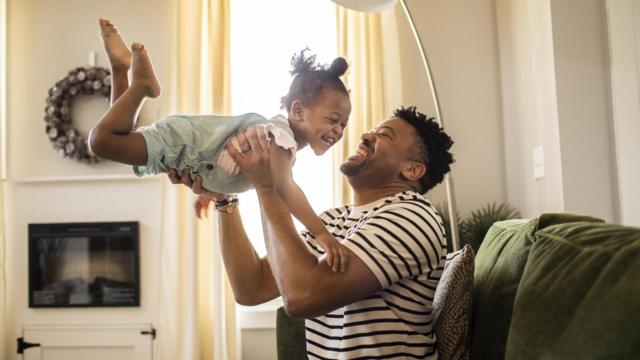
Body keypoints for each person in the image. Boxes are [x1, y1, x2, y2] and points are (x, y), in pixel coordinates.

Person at [170, 106, 454, 359]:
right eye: (373, 130)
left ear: (412, 170)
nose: (366, 135)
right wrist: (224, 199)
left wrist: (268, 186)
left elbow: (301, 297)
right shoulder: (333, 221)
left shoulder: (412, 216)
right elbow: (251, 289)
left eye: (385, 135)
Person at [89, 19, 352, 270]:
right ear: (298, 111)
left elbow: (226, 156)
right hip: (183, 145)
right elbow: (284, 188)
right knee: (102, 141)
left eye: (343, 124)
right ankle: (143, 85)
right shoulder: (279, 140)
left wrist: (211, 191)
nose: (338, 130)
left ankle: (120, 68)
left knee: (120, 135)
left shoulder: (276, 137)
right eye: (333, 119)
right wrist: (322, 235)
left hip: (185, 150)